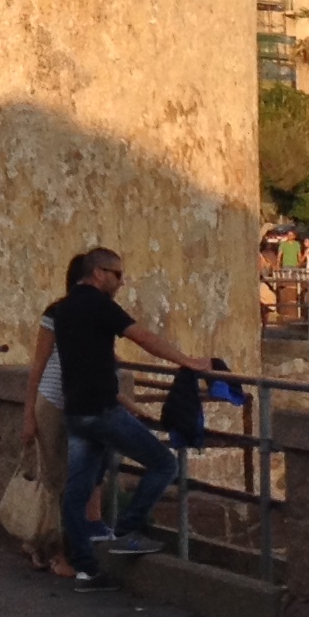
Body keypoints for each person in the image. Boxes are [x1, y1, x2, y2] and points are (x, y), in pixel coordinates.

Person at [51, 246, 215, 586]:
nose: (121, 282)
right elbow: (143, 337)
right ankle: (126, 533)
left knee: (77, 490)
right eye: (117, 275)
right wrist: (187, 361)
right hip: (102, 410)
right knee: (164, 464)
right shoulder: (100, 305)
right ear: (98, 273)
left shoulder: (62, 309)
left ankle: (85, 568)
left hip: (76, 410)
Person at [15, 252, 94, 580]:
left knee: (70, 477)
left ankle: (38, 544)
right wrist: (29, 414)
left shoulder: (95, 313)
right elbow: (39, 364)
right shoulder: (56, 313)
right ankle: (54, 553)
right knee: (54, 479)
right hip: (51, 401)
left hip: (76, 403)